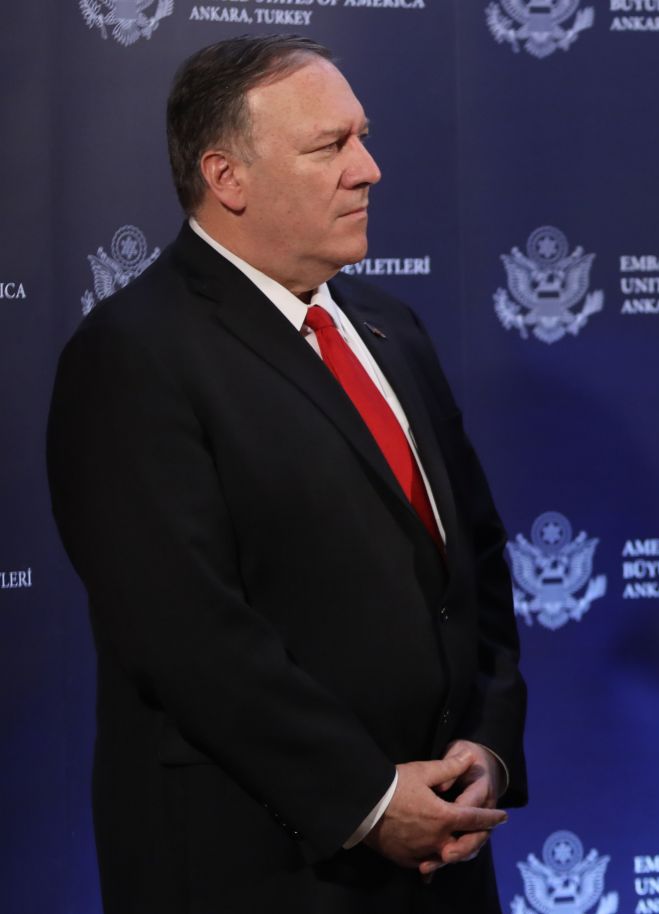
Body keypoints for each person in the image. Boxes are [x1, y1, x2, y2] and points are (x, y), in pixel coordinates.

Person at [46, 35, 527, 914]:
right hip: (258, 867)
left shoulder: (390, 327)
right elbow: (187, 634)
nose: (370, 168)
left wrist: (487, 750)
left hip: (444, 855)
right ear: (227, 178)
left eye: (364, 136)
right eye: (329, 147)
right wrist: (372, 801)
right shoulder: (133, 355)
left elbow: (479, 560)